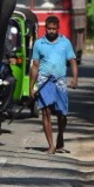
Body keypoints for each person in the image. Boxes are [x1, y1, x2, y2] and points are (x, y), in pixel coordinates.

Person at [29, 15, 78, 154]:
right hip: (44, 81)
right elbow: (35, 66)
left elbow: (73, 61)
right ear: (45, 28)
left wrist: (75, 78)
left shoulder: (65, 43)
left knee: (62, 114)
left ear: (58, 28)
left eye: (53, 29)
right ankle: (51, 145)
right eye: (49, 28)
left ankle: (60, 135)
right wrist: (32, 86)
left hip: (60, 81)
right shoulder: (39, 44)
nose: (51, 31)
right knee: (46, 112)